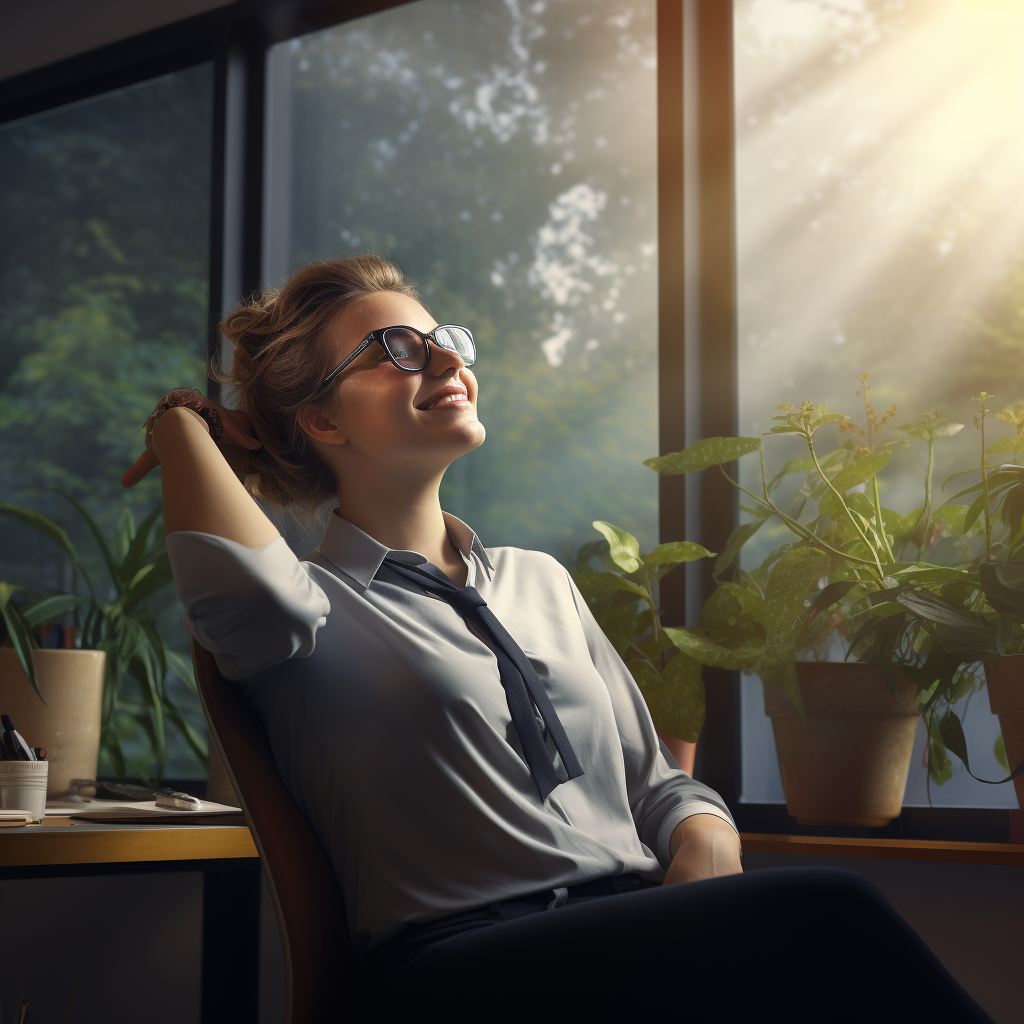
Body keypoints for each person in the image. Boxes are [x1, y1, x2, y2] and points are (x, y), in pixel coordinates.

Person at [122, 255, 995, 1022]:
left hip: (624, 929)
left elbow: (657, 785)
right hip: (455, 970)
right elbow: (247, 593)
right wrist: (181, 426)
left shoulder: (540, 580)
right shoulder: (305, 616)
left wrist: (707, 842)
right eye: (397, 350)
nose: (448, 359)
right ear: (323, 421)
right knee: (830, 913)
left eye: (445, 339)